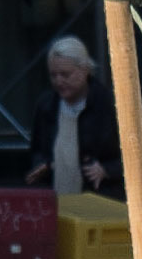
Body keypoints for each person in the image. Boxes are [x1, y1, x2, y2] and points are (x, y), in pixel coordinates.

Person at [23, 37, 122, 196]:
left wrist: (106, 170)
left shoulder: (107, 104)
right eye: (53, 75)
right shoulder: (46, 106)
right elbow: (38, 149)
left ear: (84, 70)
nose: (59, 81)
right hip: (57, 194)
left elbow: (135, 154)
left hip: (99, 197)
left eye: (65, 74)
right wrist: (42, 165)